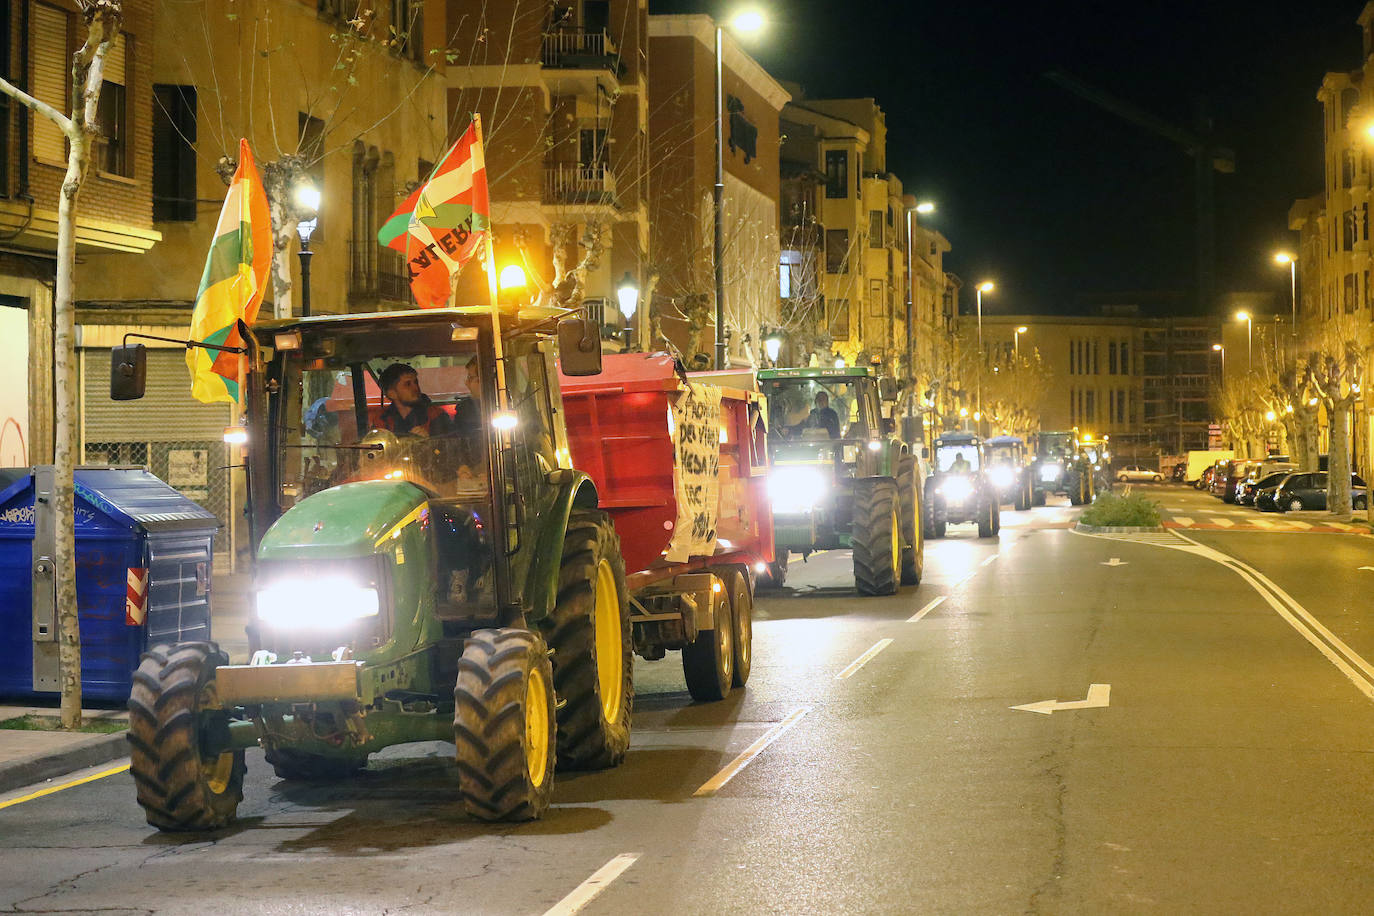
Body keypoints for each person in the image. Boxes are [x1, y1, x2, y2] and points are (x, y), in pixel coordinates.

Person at [376, 363, 454, 438]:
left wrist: (430, 442)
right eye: (408, 384)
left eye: (416, 382)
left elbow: (451, 447)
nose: (415, 388)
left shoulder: (437, 415)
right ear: (392, 394)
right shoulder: (381, 421)